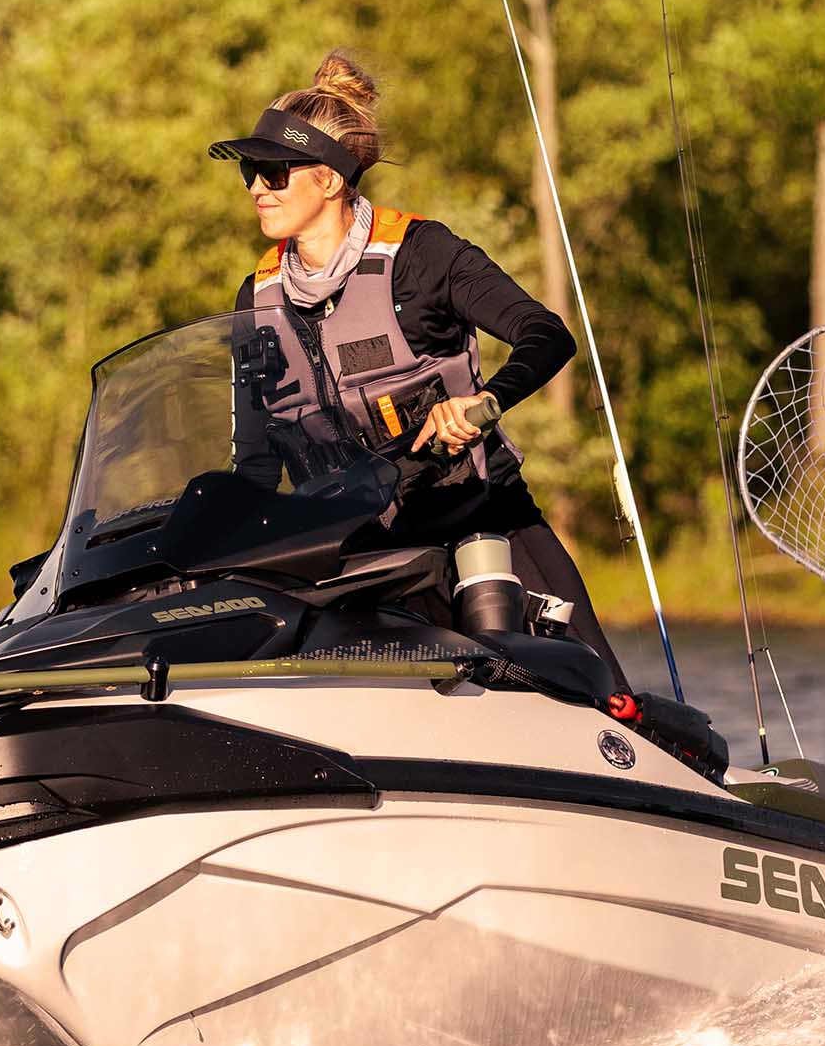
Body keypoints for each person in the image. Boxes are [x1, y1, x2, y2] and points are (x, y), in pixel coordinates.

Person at [209, 49, 625, 680]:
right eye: (248, 172)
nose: (256, 188)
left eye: (273, 171)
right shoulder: (255, 299)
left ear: (328, 178)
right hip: (358, 558)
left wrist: (482, 406)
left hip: (483, 527)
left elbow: (546, 335)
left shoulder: (423, 255)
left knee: (601, 700)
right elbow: (257, 462)